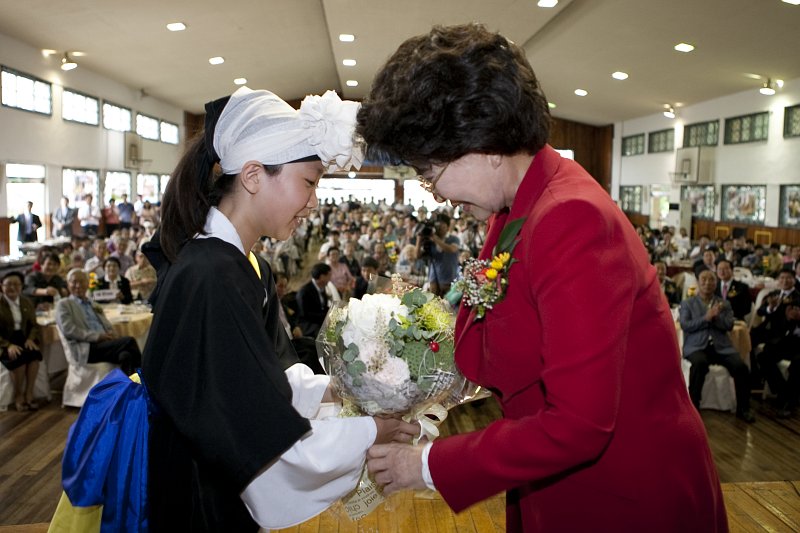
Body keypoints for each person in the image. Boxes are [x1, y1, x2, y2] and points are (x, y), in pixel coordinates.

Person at [356, 23, 726, 532]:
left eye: (430, 169)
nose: (434, 192)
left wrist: (426, 466)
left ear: (481, 140)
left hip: (623, 495)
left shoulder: (571, 217)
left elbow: (579, 424)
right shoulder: (514, 208)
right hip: (553, 482)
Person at [141, 87, 417, 531]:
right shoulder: (209, 273)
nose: (313, 203)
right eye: (308, 182)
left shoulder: (244, 264)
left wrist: (343, 390)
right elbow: (258, 437)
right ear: (253, 175)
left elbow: (263, 379)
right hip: (197, 495)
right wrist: (370, 431)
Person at [680, 270, 754, 422]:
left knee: (741, 367)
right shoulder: (688, 303)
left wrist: (716, 317)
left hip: (721, 347)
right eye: (704, 279)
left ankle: (743, 409)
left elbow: (729, 325)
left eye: (711, 280)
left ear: (716, 283)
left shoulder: (724, 303)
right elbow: (686, 325)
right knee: (699, 365)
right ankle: (693, 409)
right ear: (698, 282)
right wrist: (706, 318)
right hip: (697, 347)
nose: (707, 283)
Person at [55, 269, 142, 375]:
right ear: (68, 284)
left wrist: (111, 334)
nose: (78, 285)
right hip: (86, 348)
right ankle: (146, 381)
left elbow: (107, 325)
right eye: (74, 282)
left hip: (104, 344)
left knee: (126, 355)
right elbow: (69, 330)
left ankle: (125, 388)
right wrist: (98, 336)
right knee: (129, 341)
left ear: (87, 284)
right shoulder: (64, 304)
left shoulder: (93, 304)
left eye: (82, 281)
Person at [0, 272, 43, 412]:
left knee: (34, 356)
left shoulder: (26, 302)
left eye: (16, 284)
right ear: (2, 286)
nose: (12, 287)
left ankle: (29, 393)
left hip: (23, 338)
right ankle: (18, 395)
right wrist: (8, 345)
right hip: (5, 340)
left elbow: (34, 325)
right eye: (8, 284)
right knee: (17, 357)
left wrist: (30, 338)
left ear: (21, 286)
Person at [758, 296, 800, 419]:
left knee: (797, 365)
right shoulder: (793, 301)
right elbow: (778, 325)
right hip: (790, 341)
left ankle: (788, 402)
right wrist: (788, 318)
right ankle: (784, 392)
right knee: (764, 356)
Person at [418, 213, 460, 297]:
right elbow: (418, 256)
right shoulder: (430, 241)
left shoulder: (454, 239)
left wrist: (435, 238)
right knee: (433, 301)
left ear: (448, 227)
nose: (439, 228)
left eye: (442, 225)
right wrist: (418, 240)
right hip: (433, 278)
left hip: (448, 277)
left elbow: (451, 249)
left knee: (447, 304)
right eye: (437, 225)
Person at [296, 262, 333, 338]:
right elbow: (305, 314)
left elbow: (322, 307)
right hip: (307, 323)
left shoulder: (321, 287)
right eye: (329, 275)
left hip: (318, 319)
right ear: (322, 277)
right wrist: (326, 316)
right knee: (326, 335)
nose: (330, 277)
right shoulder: (304, 292)